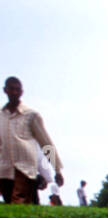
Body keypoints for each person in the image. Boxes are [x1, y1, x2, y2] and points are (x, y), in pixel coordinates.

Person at [0, 77, 63, 205]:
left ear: (21, 92)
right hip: (5, 172)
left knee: (21, 207)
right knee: (10, 210)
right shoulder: (1, 116)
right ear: (5, 90)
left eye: (17, 90)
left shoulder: (31, 115)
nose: (14, 92)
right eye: (11, 89)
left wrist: (57, 169)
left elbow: (45, 143)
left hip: (25, 171)